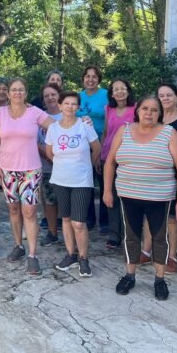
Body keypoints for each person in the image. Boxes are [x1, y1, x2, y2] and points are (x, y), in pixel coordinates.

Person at [104, 96, 177, 300]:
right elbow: (110, 162)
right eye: (145, 109)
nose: (149, 113)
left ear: (160, 113)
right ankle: (129, 275)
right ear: (137, 111)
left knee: (159, 237)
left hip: (159, 197)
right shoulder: (124, 130)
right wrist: (107, 190)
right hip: (128, 194)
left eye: (154, 110)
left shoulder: (169, 133)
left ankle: (160, 279)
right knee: (131, 236)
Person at [0, 77, 54, 276]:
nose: (17, 93)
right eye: (14, 89)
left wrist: (80, 122)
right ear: (8, 93)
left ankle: (32, 255)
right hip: (7, 169)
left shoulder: (35, 112)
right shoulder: (1, 113)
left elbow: (57, 126)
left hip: (30, 170)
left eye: (21, 90)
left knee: (29, 211)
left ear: (26, 93)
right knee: (13, 208)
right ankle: (18, 245)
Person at [47, 91, 102, 277]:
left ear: (78, 107)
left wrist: (88, 166)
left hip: (81, 181)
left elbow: (97, 148)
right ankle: (71, 255)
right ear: (60, 106)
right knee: (66, 219)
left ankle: (83, 258)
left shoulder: (84, 125)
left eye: (73, 104)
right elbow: (49, 152)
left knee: (79, 223)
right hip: (60, 180)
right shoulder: (53, 128)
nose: (70, 107)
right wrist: (63, 165)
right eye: (66, 103)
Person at [140, 83, 177, 273]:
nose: (165, 98)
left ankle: (171, 256)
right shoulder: (152, 121)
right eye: (161, 95)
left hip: (173, 176)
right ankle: (146, 251)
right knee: (149, 214)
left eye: (169, 95)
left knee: (172, 218)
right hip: (151, 175)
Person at [99, 78, 136, 250]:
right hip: (109, 157)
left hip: (129, 158)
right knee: (110, 196)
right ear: (112, 94)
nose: (120, 92)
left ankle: (129, 233)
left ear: (128, 91)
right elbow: (106, 132)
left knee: (128, 197)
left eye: (123, 88)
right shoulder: (109, 108)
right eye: (116, 89)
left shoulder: (136, 108)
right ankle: (114, 235)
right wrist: (100, 155)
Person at [77, 65, 108, 231]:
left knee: (104, 182)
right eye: (87, 76)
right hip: (82, 146)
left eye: (94, 76)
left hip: (102, 144)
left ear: (99, 79)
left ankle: (105, 221)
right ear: (83, 79)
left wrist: (100, 149)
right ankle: (89, 218)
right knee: (86, 183)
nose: (90, 79)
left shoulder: (106, 95)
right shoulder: (78, 97)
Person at [38, 83, 63, 246]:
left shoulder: (68, 114)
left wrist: (56, 156)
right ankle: (52, 233)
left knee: (67, 202)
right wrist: (48, 154)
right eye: (46, 95)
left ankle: (72, 236)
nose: (50, 98)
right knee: (49, 201)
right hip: (46, 166)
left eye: (53, 94)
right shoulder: (39, 117)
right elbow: (34, 141)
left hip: (65, 167)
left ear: (59, 96)